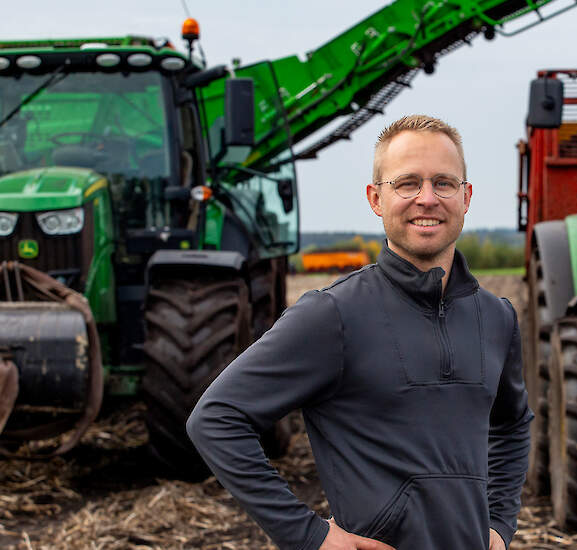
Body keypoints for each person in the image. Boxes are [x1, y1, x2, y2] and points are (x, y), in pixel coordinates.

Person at [187, 114, 533, 550]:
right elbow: (216, 419)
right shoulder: (333, 315)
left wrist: (499, 524)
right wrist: (311, 536)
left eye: (443, 183)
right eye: (407, 183)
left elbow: (513, 424)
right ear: (375, 198)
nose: (427, 198)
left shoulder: (496, 318)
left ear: (466, 196)